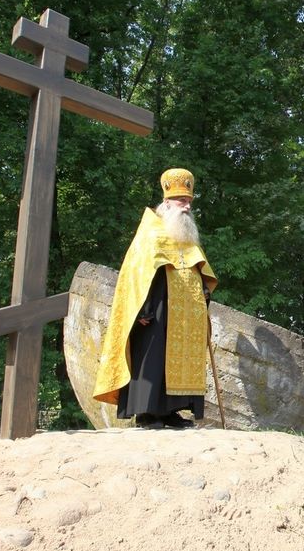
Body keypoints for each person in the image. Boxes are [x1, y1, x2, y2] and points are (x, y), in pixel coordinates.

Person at [93, 168, 217, 429]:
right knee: (153, 358)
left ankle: (171, 411)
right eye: (181, 200)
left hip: (185, 312)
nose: (186, 206)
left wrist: (204, 290)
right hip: (156, 309)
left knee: (180, 359)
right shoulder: (151, 232)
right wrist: (143, 310)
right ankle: (147, 413)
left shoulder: (187, 235)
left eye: (189, 201)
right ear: (167, 201)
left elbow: (199, 268)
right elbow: (138, 274)